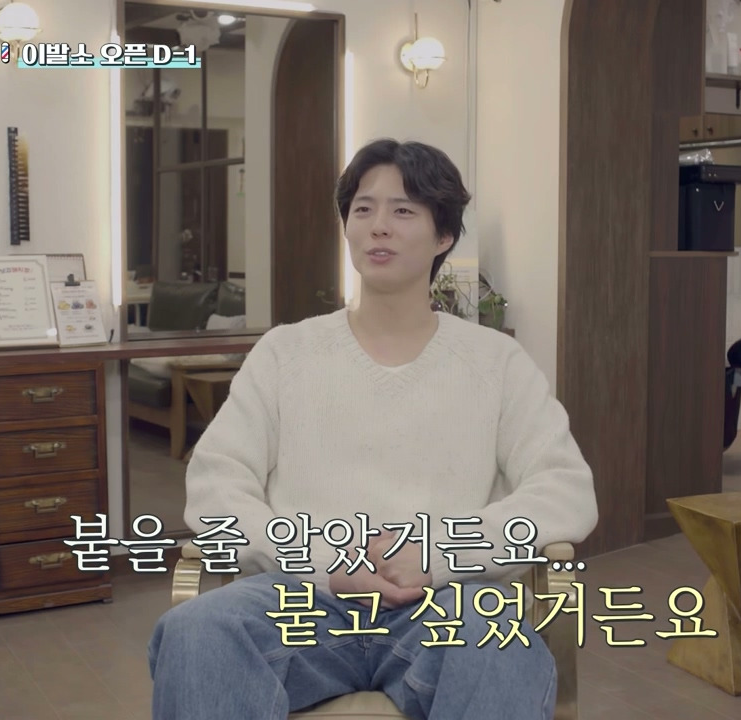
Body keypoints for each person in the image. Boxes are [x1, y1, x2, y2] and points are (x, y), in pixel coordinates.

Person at [148, 139, 598, 720]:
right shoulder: (286, 353)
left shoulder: (496, 362)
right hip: (299, 597)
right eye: (363, 209)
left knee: (500, 648)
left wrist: (435, 553)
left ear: (444, 236)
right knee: (196, 631)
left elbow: (564, 490)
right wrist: (324, 561)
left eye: (403, 210)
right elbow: (216, 489)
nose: (379, 225)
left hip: (446, 603)